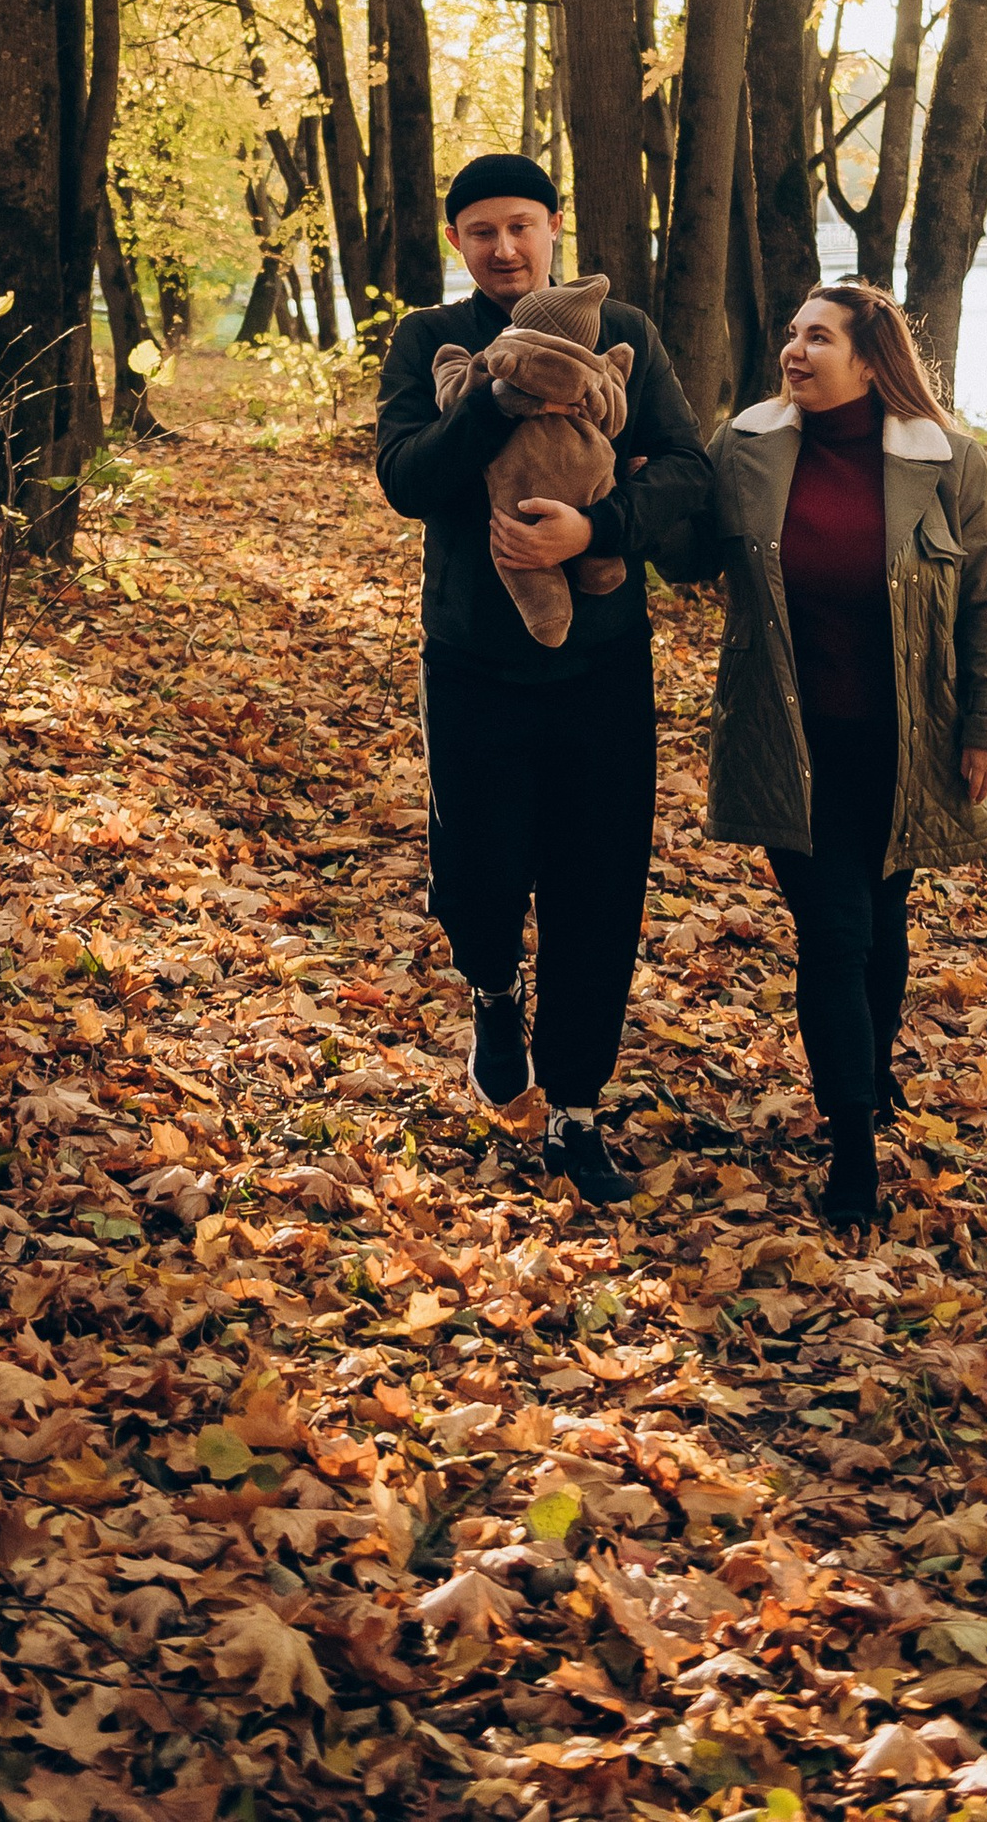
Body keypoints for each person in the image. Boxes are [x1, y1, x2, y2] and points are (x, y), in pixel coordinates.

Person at [374, 154, 715, 1204]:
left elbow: (689, 474)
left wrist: (596, 528)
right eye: (481, 232)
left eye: (520, 225)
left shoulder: (629, 338)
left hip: (600, 669)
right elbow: (404, 478)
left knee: (596, 887)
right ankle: (490, 987)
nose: (504, 247)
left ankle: (575, 1109)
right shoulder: (430, 341)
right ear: (458, 245)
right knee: (475, 876)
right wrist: (496, 398)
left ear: (553, 227)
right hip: (471, 662)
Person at [707, 279, 987, 1232]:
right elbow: (683, 546)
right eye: (792, 336)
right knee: (835, 933)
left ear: (870, 359)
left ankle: (873, 1072)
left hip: (907, 745)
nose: (794, 353)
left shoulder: (948, 464)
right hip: (788, 741)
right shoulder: (747, 448)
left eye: (818, 339)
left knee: (885, 918)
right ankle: (853, 1144)